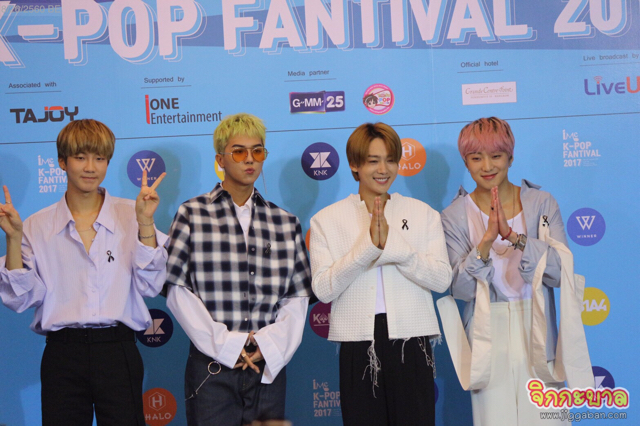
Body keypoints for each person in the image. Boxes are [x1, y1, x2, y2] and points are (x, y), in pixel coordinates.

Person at [0, 119, 168, 425]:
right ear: (62, 162)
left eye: (99, 158)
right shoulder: (37, 225)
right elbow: (22, 299)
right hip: (62, 355)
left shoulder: (133, 213)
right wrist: (13, 239)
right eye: (80, 157)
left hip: (118, 350)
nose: (90, 167)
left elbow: (151, 286)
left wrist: (145, 223)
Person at [165, 113, 312, 426]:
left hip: (268, 368)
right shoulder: (192, 214)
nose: (249, 159)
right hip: (211, 369)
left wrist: (268, 346)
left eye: (257, 151)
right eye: (239, 151)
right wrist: (226, 345)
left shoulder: (285, 223)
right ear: (220, 159)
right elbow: (177, 290)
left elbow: (297, 297)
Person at [309, 122, 452, 426]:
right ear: (354, 165)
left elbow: (442, 279)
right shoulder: (326, 220)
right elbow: (322, 289)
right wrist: (368, 248)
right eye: (373, 161)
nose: (383, 170)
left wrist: (394, 247)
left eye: (390, 160)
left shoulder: (423, 213)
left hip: (411, 340)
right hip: (357, 344)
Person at [441, 117, 572, 425]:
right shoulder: (454, 215)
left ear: (510, 158)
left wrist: (515, 238)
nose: (487, 166)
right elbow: (460, 290)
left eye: (496, 156)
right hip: (487, 333)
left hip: (539, 328)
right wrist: (486, 241)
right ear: (466, 162)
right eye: (476, 158)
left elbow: (559, 273)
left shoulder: (542, 203)